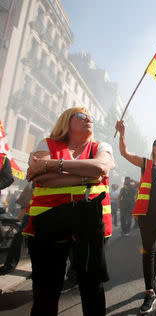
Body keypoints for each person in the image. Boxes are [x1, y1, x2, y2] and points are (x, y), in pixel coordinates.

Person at [24, 107, 114, 316]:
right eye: (82, 116)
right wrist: (85, 176)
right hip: (49, 223)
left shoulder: (101, 146)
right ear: (66, 121)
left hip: (90, 226)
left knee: (92, 287)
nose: (88, 120)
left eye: (90, 117)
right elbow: (39, 177)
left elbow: (100, 168)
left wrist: (53, 166)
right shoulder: (47, 143)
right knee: (46, 291)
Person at [115, 120, 156, 314]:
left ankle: (153, 283)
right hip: (146, 214)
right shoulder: (145, 163)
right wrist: (122, 133)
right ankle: (149, 291)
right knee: (148, 251)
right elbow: (125, 153)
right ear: (154, 148)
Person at [0, 182, 33, 275]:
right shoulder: (33, 181)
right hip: (30, 213)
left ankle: (10, 265)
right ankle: (10, 265)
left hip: (38, 213)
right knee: (20, 238)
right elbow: (24, 202)